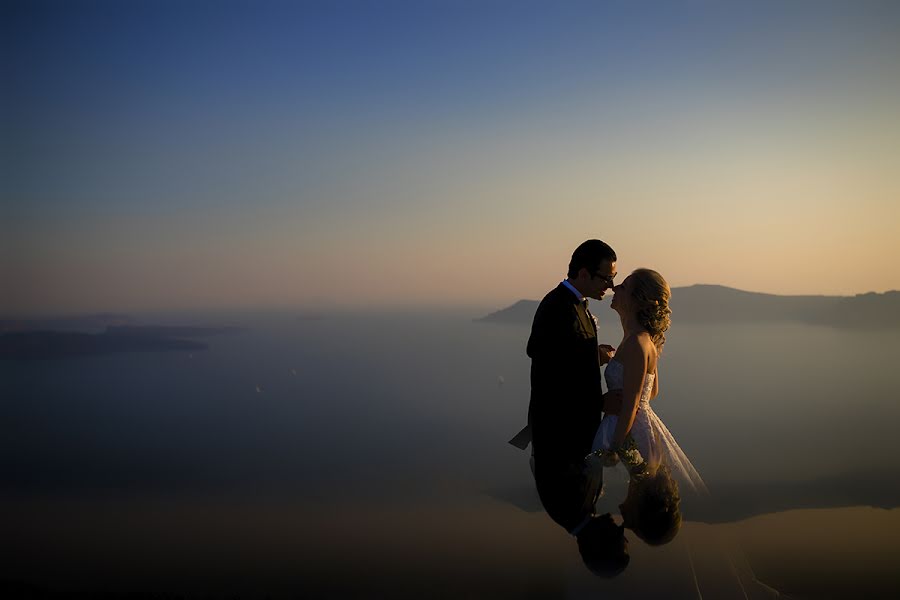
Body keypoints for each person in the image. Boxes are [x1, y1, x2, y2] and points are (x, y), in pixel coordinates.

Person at [587, 268, 706, 544]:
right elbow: (652, 393)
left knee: (633, 486)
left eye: (625, 286)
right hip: (638, 424)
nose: (615, 288)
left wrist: (615, 443)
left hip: (628, 429)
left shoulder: (638, 343)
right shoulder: (640, 341)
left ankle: (641, 524)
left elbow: (631, 406)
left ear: (639, 301)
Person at [512, 239, 619, 537]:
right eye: (606, 278)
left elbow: (562, 359)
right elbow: (548, 370)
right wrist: (599, 403)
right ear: (584, 274)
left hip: (569, 439)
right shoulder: (558, 306)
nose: (610, 286)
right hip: (560, 440)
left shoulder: (571, 304)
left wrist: (591, 356)